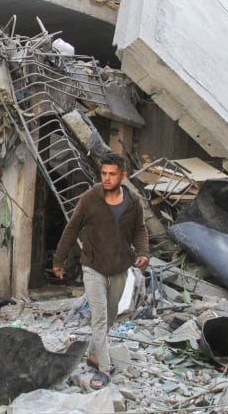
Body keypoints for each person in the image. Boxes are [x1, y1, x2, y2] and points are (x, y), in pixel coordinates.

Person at [52, 151, 149, 390]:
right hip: (93, 266)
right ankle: (104, 368)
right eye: (103, 173)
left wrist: (143, 253)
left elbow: (140, 230)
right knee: (99, 316)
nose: (106, 178)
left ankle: (94, 354)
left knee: (111, 313)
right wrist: (59, 260)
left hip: (119, 267)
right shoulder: (90, 198)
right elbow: (72, 229)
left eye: (112, 174)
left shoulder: (133, 201)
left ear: (122, 176)